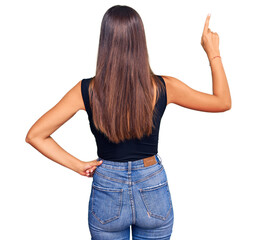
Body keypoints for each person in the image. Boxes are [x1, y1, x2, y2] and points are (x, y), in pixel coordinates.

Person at [25, 5, 231, 240]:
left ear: (105, 42)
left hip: (107, 187)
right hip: (152, 186)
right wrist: (213, 51)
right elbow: (222, 102)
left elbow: (35, 135)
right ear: (140, 40)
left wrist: (78, 165)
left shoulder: (86, 90)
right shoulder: (164, 87)